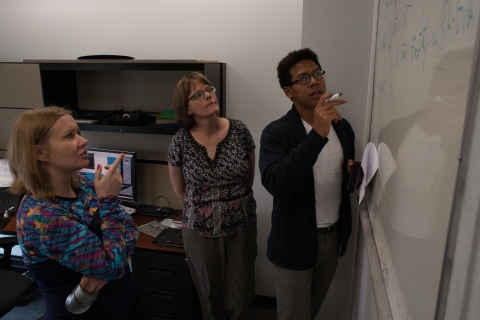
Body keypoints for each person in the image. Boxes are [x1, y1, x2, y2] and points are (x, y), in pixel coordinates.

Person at [8, 106, 139, 320]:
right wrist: (108, 201)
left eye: (78, 132)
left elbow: (132, 231)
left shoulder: (83, 186)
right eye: (69, 136)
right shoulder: (40, 216)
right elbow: (113, 266)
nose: (83, 141)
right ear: (39, 152)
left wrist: (111, 263)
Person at [259, 48, 355, 319]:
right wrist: (318, 134)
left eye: (317, 74)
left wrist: (353, 175)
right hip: (295, 241)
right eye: (303, 78)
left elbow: (340, 181)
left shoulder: (343, 128)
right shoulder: (276, 132)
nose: (314, 81)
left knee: (311, 312)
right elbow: (277, 182)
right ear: (288, 91)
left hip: (332, 237)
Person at [168, 72, 257, 320]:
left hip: (240, 227)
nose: (208, 94)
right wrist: (207, 210)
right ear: (186, 108)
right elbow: (180, 190)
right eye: (198, 94)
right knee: (209, 298)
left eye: (209, 89)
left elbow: (248, 177)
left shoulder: (239, 130)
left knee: (240, 298)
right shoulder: (180, 141)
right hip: (199, 230)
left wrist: (230, 206)